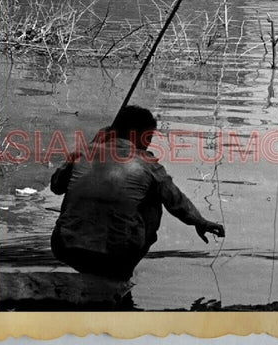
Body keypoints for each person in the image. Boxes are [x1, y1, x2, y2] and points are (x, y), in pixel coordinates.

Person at [50, 105, 225, 281]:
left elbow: (56, 186)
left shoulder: (84, 152)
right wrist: (200, 222)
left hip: (65, 246)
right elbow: (175, 201)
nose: (148, 143)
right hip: (117, 253)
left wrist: (93, 144)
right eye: (148, 137)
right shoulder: (147, 163)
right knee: (153, 196)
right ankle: (122, 273)